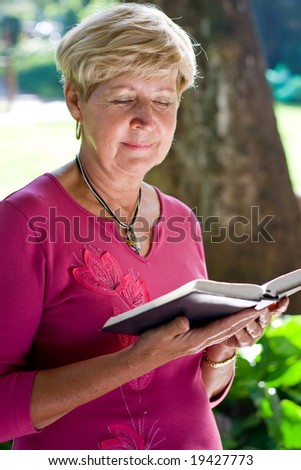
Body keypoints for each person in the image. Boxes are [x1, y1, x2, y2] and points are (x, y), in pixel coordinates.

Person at [0, 3, 288, 450]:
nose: (146, 120)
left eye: (163, 100)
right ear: (76, 99)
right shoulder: (24, 222)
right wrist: (137, 360)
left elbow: (195, 394)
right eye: (122, 98)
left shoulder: (181, 218)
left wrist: (219, 351)